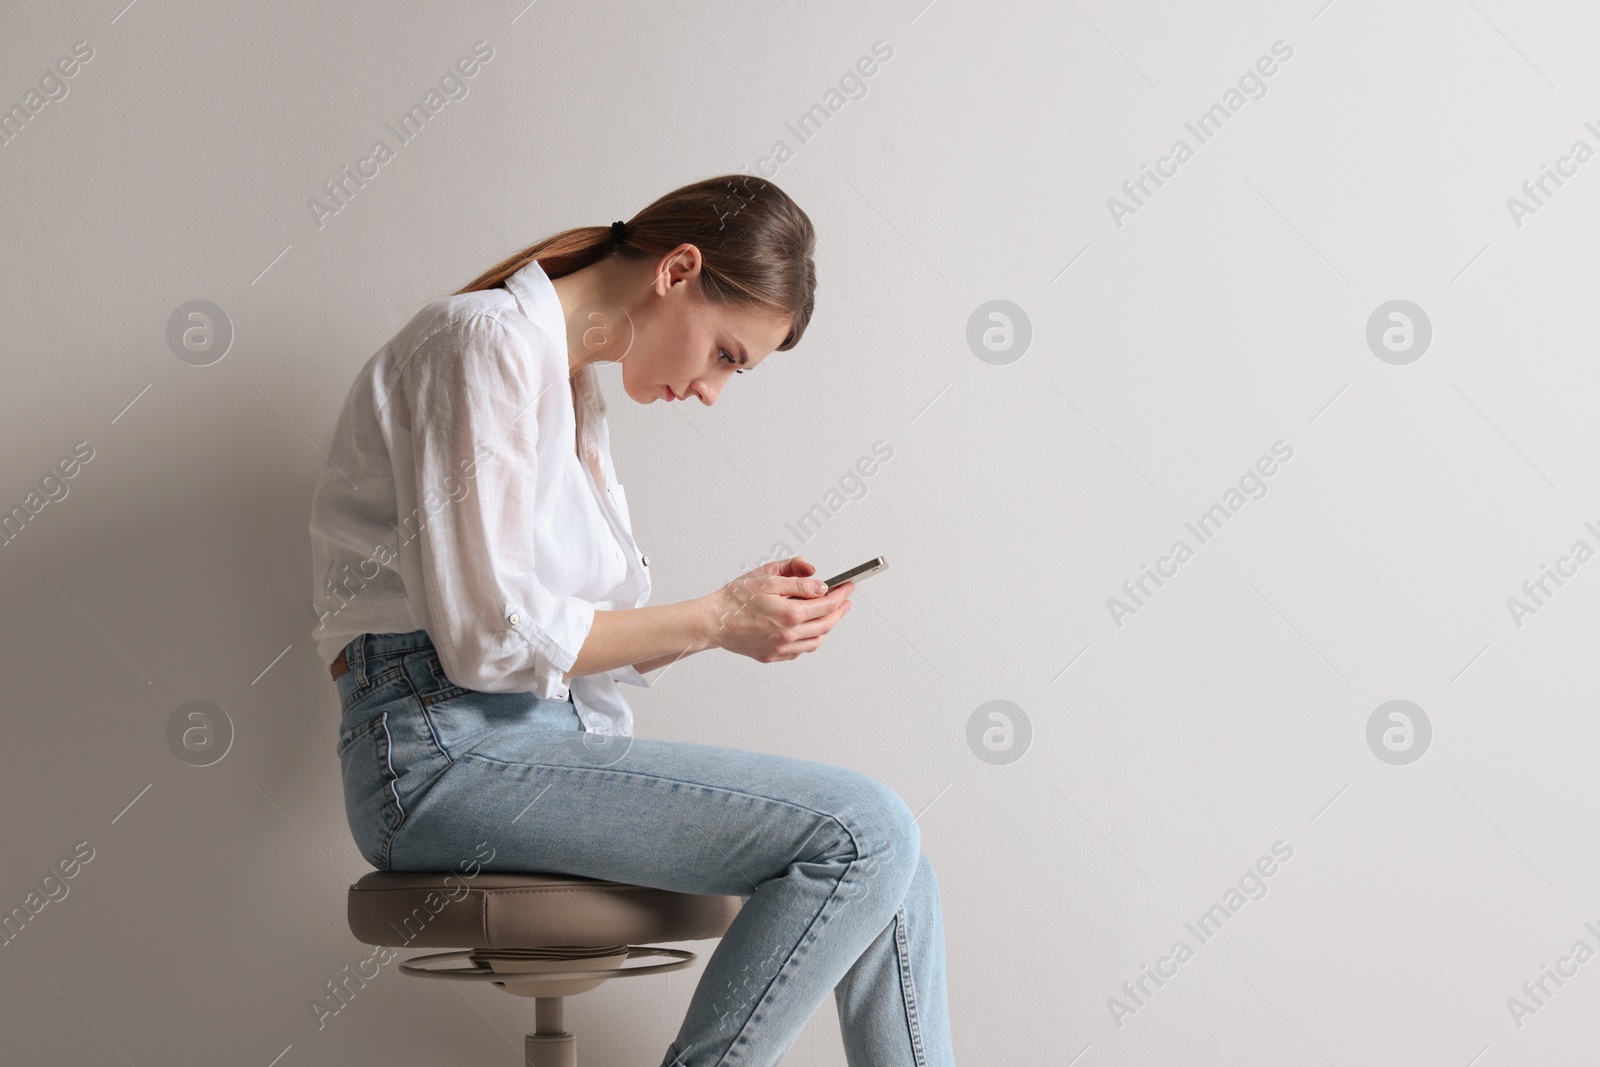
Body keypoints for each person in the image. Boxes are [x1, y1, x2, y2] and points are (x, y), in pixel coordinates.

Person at [307, 174, 954, 1067]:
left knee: (897, 863)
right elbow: (486, 637)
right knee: (866, 830)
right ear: (678, 271)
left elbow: (561, 645)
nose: (715, 389)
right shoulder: (480, 344)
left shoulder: (576, 392)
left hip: (535, 741)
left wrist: (739, 616)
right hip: (435, 755)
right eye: (729, 354)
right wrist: (715, 617)